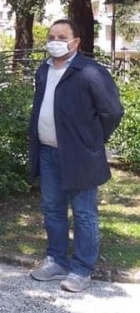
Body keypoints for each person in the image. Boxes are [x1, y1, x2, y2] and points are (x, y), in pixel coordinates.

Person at [28, 19, 123, 293]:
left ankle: (82, 269)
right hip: (48, 152)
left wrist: (92, 139)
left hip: (80, 156)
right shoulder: (44, 70)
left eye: (62, 37)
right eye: (51, 36)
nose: (55, 41)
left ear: (76, 42)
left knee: (84, 213)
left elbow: (112, 112)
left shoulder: (90, 72)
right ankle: (56, 260)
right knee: (52, 208)